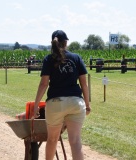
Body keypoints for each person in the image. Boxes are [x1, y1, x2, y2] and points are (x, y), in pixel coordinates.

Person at [33, 30, 91, 160]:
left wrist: (36, 105)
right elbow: (84, 84)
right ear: (66, 43)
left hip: (55, 103)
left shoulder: (49, 59)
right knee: (75, 142)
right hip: (76, 103)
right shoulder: (76, 58)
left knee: (52, 139)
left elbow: (43, 84)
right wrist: (87, 104)